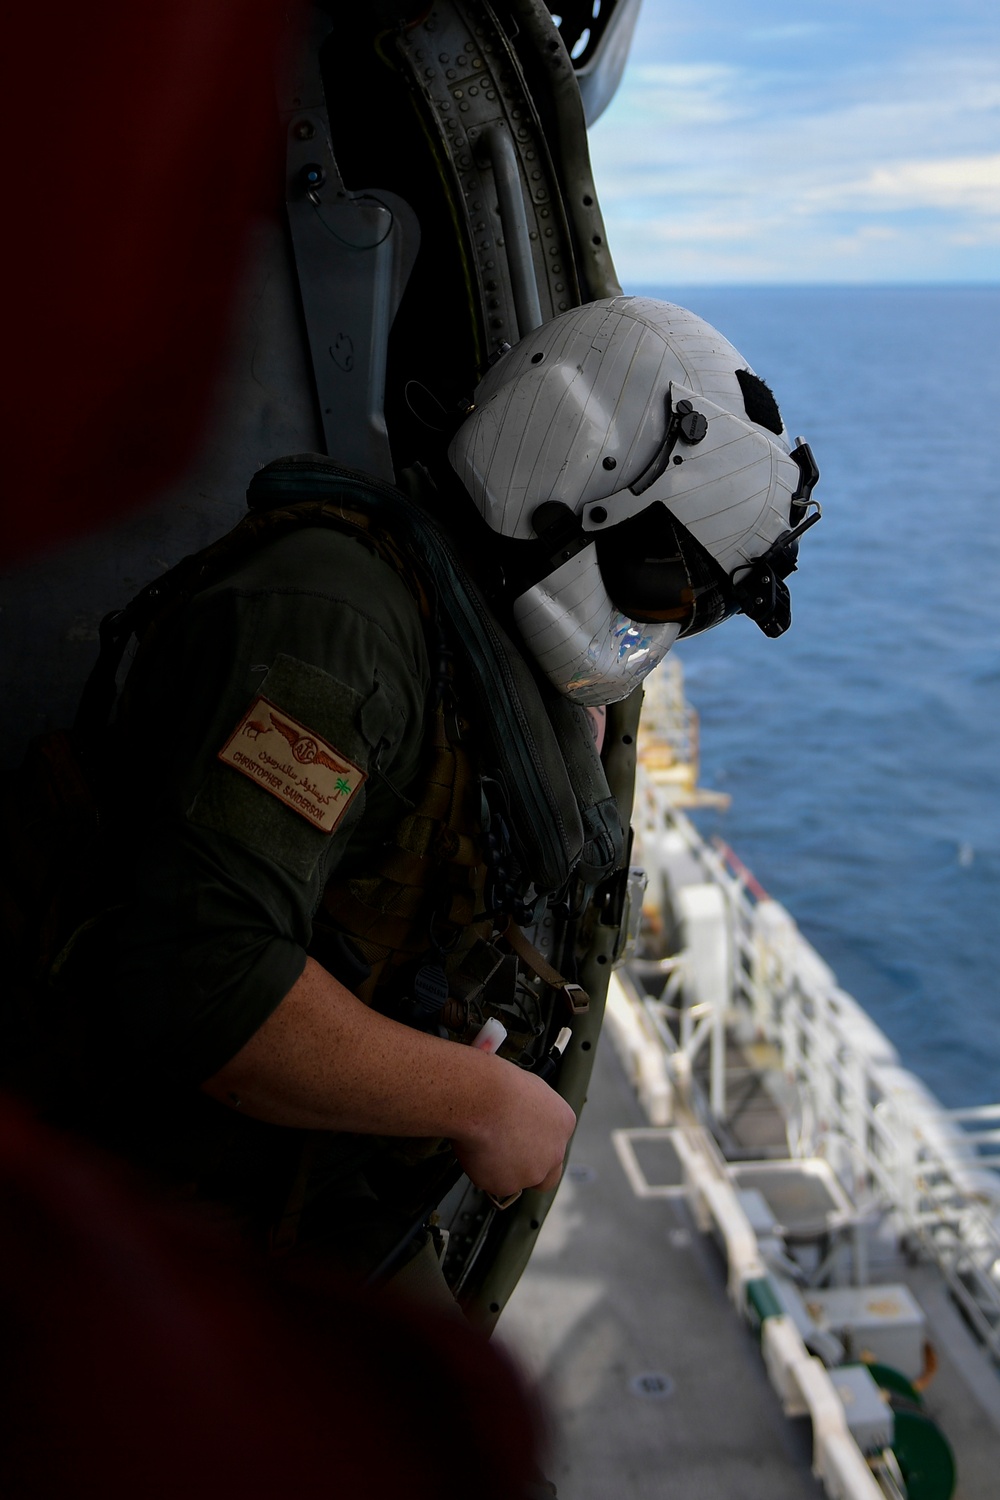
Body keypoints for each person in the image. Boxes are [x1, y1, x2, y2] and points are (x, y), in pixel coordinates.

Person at [61, 295, 819, 1303]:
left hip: (304, 1199)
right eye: (653, 585)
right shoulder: (333, 622)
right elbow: (201, 974)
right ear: (565, 472)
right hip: (163, 1229)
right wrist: (479, 1103)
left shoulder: (459, 624)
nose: (653, 627)